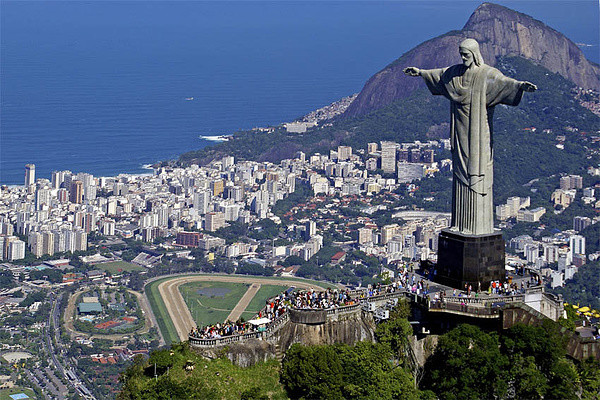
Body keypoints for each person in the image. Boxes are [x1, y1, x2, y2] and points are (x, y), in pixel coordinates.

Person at [404, 39, 536, 235]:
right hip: (460, 132)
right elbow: (439, 75)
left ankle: (478, 226)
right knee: (460, 174)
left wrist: (520, 86)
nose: (463, 58)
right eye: (461, 54)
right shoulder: (455, 73)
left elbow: (503, 83)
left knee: (478, 171)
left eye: (466, 54)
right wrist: (421, 73)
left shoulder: (486, 74)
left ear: (475, 54)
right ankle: (461, 224)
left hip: (478, 133)